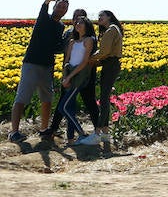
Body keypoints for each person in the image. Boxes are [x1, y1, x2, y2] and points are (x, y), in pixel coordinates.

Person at [9, 0, 68, 143]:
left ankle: (43, 129)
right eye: (59, 6)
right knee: (22, 97)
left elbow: (55, 47)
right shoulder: (44, 19)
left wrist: (67, 42)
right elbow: (43, 10)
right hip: (32, 63)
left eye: (64, 8)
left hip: (47, 66)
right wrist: (47, 1)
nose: (61, 9)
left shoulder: (60, 26)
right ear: (54, 7)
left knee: (47, 98)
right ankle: (14, 132)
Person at [40, 8, 101, 143]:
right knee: (66, 103)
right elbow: (63, 51)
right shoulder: (69, 35)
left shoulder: (91, 38)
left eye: (81, 18)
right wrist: (65, 74)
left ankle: (98, 130)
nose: (77, 21)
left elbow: (89, 57)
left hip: (85, 74)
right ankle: (58, 131)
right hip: (69, 73)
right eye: (75, 18)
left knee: (89, 101)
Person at [79, 10, 124, 146]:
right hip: (111, 64)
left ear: (109, 17)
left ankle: (97, 133)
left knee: (104, 98)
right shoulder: (113, 29)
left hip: (110, 65)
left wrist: (89, 59)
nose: (99, 18)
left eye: (102, 16)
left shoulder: (111, 30)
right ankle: (105, 133)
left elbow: (105, 52)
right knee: (105, 98)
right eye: (98, 16)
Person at [55, 16, 98, 144]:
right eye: (77, 22)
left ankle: (81, 134)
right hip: (69, 76)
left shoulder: (88, 40)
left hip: (78, 78)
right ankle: (71, 139)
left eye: (81, 23)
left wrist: (69, 77)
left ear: (87, 26)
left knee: (64, 108)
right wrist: (64, 76)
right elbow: (66, 60)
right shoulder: (72, 42)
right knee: (69, 107)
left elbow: (84, 62)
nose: (78, 24)